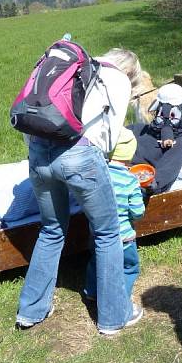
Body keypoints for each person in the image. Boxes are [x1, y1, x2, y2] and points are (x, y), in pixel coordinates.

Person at [16, 47, 145, 335]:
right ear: (131, 71)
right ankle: (114, 317)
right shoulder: (118, 79)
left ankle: (30, 311)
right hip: (79, 156)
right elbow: (110, 138)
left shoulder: (72, 69)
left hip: (38, 153)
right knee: (108, 233)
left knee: (51, 230)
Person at [84, 127, 145, 303]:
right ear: (130, 155)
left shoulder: (97, 174)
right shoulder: (131, 180)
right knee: (129, 267)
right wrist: (134, 217)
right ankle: (121, 299)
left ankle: (91, 292)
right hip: (124, 237)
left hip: (98, 233)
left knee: (96, 261)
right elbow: (137, 212)